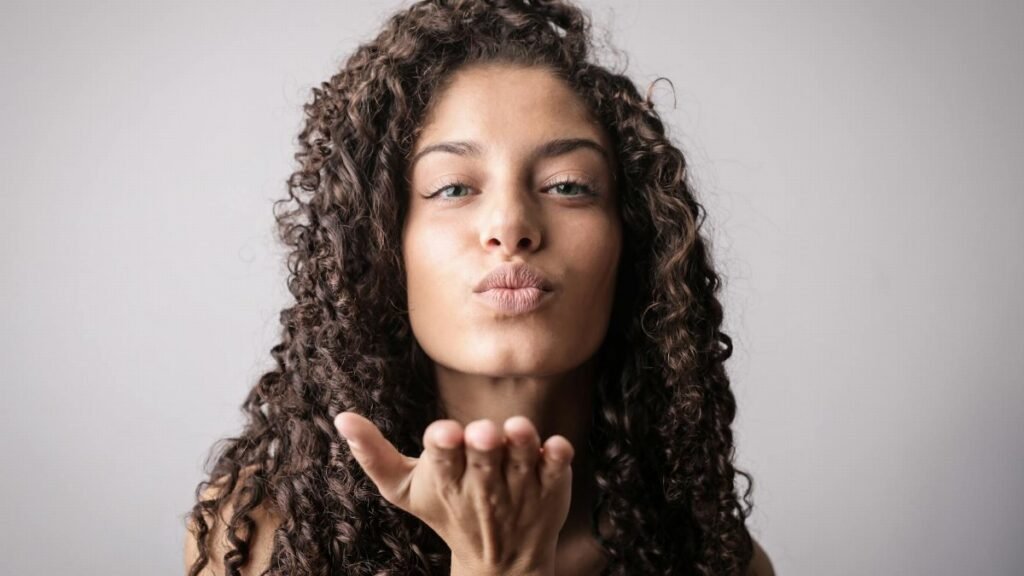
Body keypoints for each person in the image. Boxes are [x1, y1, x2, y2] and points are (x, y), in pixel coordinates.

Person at [184, 0, 774, 574]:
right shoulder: (258, 538)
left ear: (634, 240)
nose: (510, 227)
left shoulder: (719, 559)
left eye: (567, 186)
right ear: (384, 249)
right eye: (453, 188)